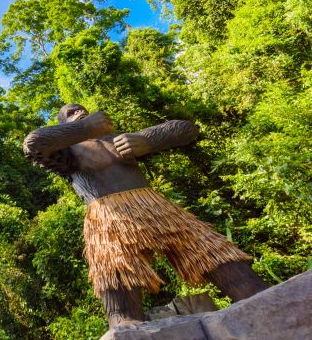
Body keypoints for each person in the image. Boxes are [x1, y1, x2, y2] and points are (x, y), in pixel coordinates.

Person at [23, 103, 269, 327]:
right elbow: (33, 143)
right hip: (109, 216)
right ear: (64, 125)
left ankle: (254, 293)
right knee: (115, 271)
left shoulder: (118, 139)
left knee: (208, 249)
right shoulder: (66, 155)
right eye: (71, 113)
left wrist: (145, 140)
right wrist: (85, 128)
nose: (79, 112)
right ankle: (124, 323)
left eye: (81, 109)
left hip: (153, 205)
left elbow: (186, 128)